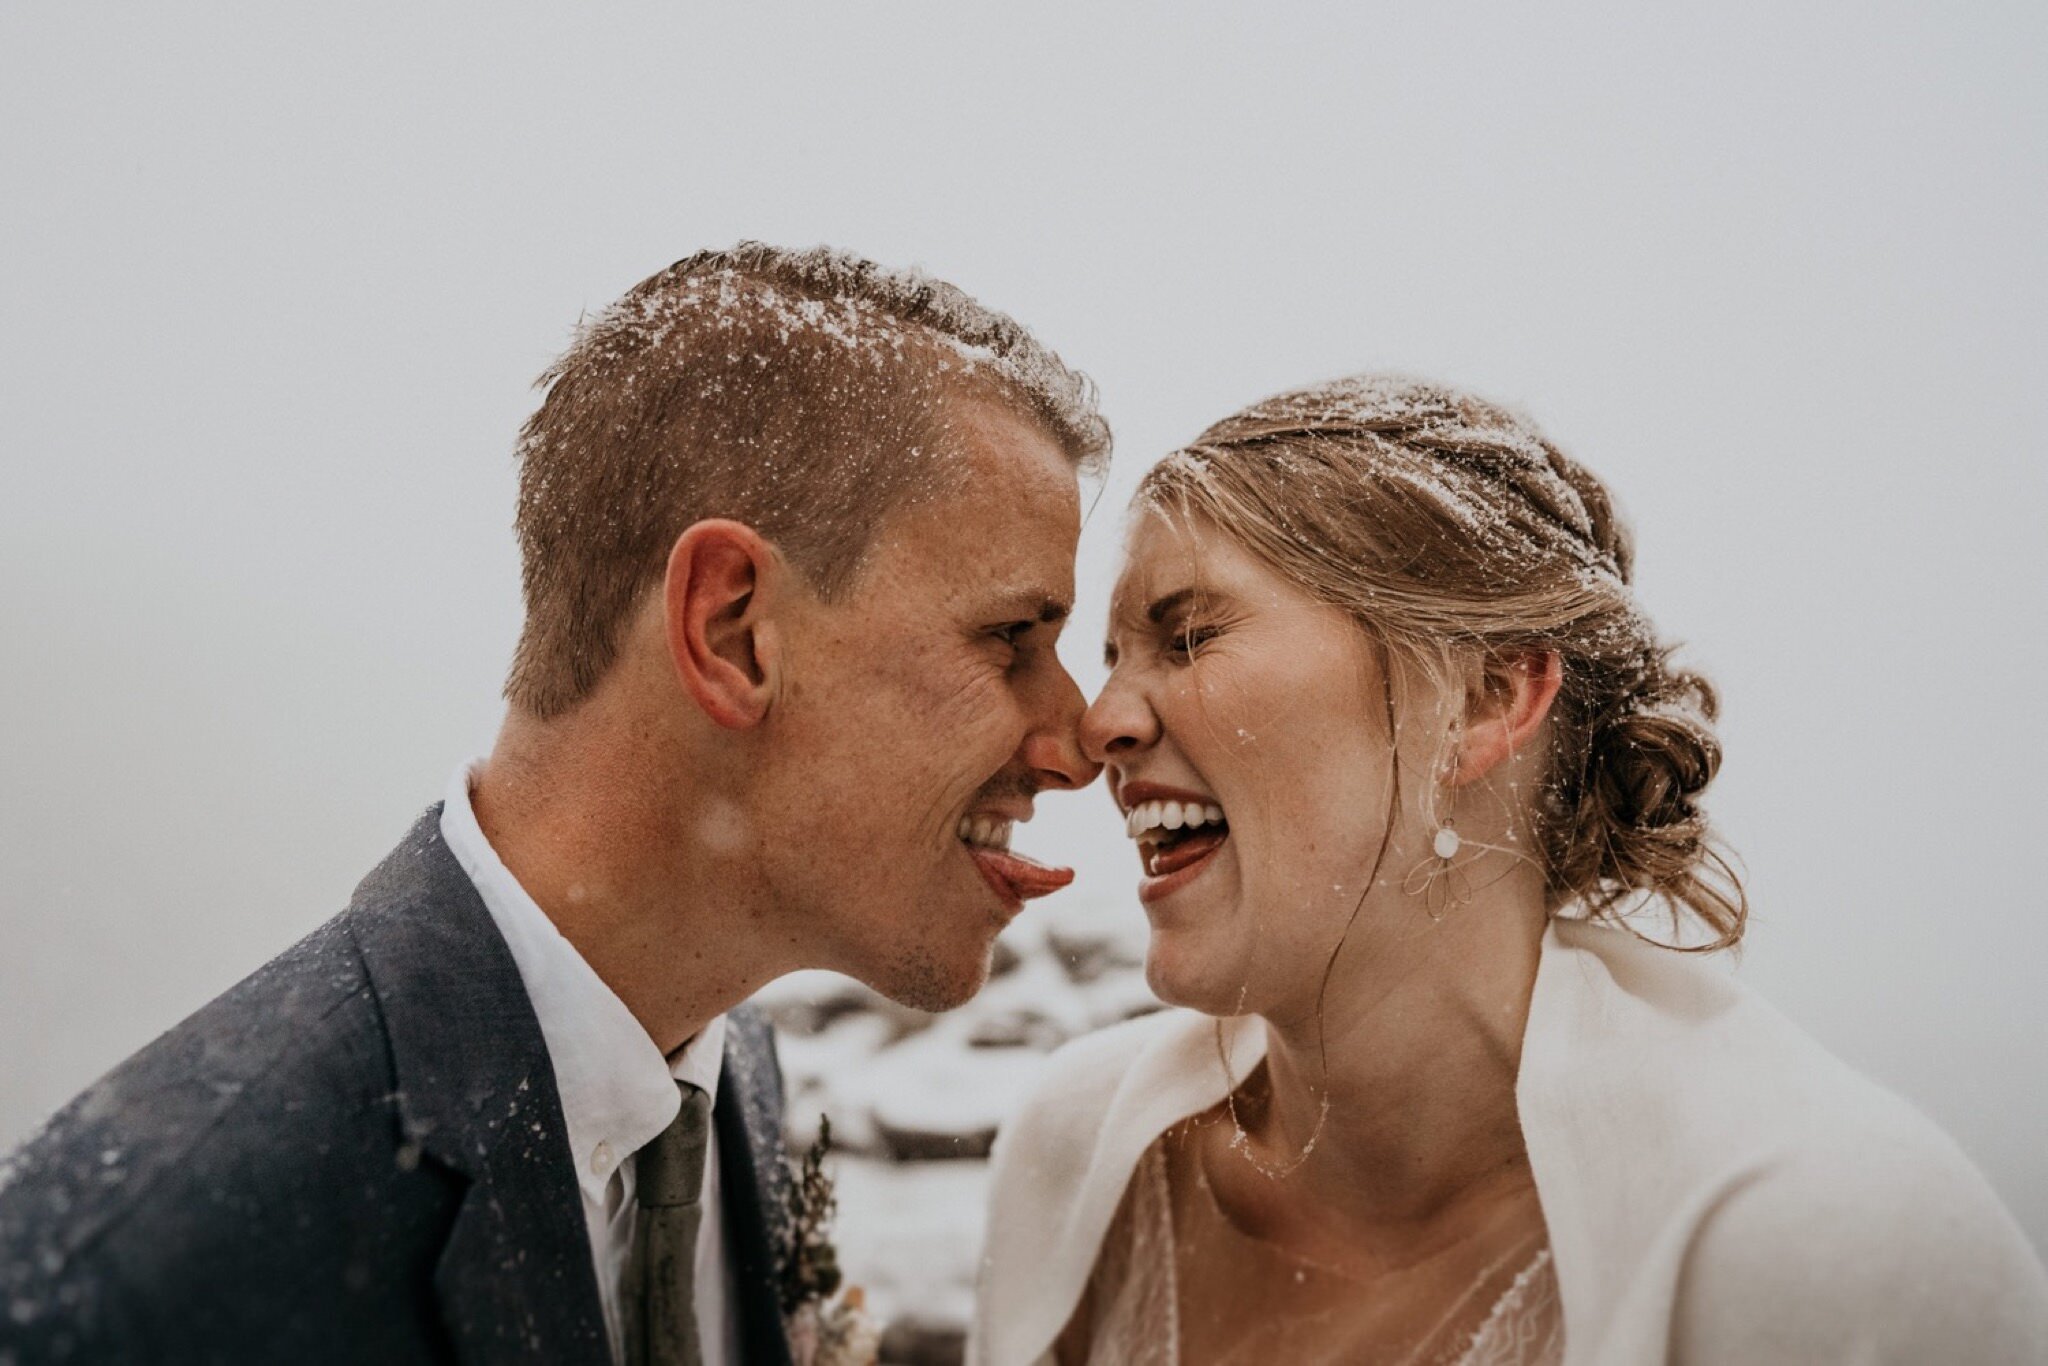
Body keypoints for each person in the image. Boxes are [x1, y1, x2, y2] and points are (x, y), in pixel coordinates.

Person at [0, 242, 1106, 1366]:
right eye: (1010, 637)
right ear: (731, 631)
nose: (1077, 745)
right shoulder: (144, 1279)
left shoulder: (737, 1084)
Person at [972, 374, 2048, 1365]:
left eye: (1189, 637)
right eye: (1111, 656)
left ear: (1486, 700)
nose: (1097, 722)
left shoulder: (1835, 1246)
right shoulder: (1082, 1159)